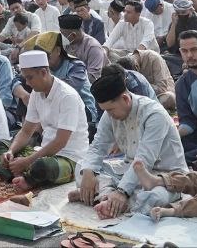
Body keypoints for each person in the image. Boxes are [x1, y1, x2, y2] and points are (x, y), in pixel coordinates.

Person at [72, 71, 187, 217]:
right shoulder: (110, 114)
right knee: (81, 166)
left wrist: (122, 191)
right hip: (128, 170)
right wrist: (89, 171)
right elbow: (98, 145)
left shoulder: (154, 115)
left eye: (110, 110)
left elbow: (144, 160)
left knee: (155, 198)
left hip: (163, 177)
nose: (108, 114)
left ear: (125, 99)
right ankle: (109, 199)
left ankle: (103, 197)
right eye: (105, 110)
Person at [0, 50, 87, 191]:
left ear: (43, 72)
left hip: (69, 158)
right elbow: (26, 131)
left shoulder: (67, 96)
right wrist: (11, 152)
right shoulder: (36, 93)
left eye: (30, 78)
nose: (28, 84)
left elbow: (60, 142)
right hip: (43, 151)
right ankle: (25, 176)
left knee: (44, 167)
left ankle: (25, 176)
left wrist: (27, 161)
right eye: (25, 79)